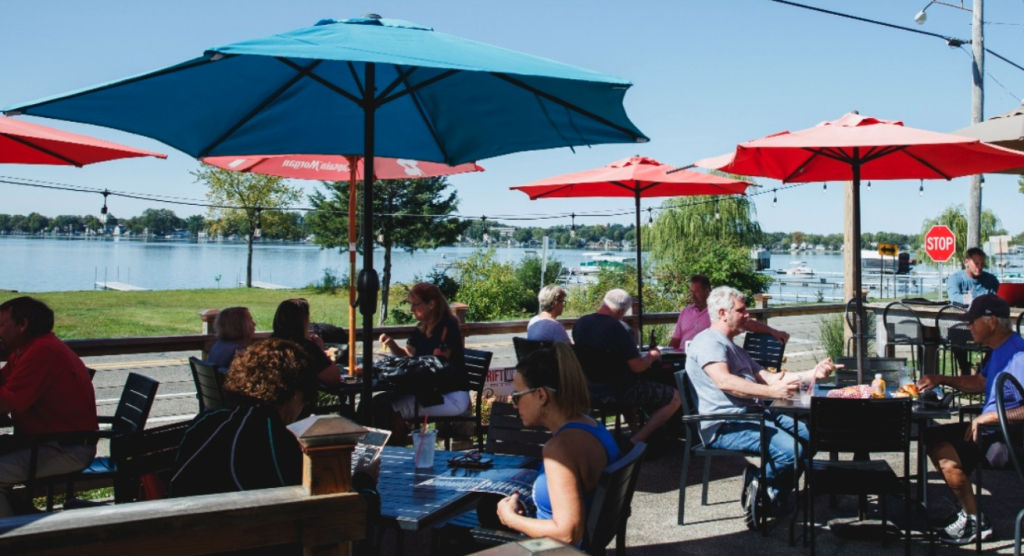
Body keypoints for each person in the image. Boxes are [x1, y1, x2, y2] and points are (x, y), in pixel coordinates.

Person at [169, 338, 380, 554]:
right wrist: (364, 482)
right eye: (305, 399)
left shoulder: (208, 422)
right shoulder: (271, 438)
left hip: (182, 540)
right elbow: (330, 520)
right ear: (295, 393)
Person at [685, 286, 839, 528]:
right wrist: (772, 393)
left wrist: (814, 373)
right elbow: (725, 382)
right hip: (726, 423)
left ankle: (765, 488)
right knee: (790, 452)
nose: (747, 315)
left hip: (754, 415)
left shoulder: (735, 348)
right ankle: (765, 489)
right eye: (741, 310)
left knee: (812, 438)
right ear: (723, 313)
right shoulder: (708, 342)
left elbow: (771, 378)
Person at [918, 294, 1024, 545]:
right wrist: (941, 379)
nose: (968, 326)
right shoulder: (997, 350)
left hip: (1011, 438)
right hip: (990, 429)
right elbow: (979, 382)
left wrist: (993, 416)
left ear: (992, 322)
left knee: (945, 453)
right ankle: (967, 512)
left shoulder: (1019, 354)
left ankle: (975, 522)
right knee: (931, 437)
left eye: (973, 321)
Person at [494, 343, 621, 546]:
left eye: (517, 396)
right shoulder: (591, 426)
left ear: (541, 395)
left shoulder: (559, 449)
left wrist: (510, 519)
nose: (514, 404)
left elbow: (567, 535)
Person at [0, 296, 98, 517]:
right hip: (46, 442)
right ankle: (24, 517)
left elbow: (5, 403)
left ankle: (18, 535)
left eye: (1, 325)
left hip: (66, 449)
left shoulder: (41, 352)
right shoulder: (27, 350)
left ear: (22, 324)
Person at [571, 288, 680, 444]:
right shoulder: (620, 328)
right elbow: (638, 367)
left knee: (629, 386)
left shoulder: (581, 323)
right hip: (618, 391)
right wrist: (652, 355)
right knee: (675, 397)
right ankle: (638, 439)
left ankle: (635, 430)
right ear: (621, 311)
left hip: (588, 390)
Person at [376, 283, 469, 438]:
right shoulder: (422, 328)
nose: (411, 309)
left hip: (451, 396)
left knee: (392, 408)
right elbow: (408, 355)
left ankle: (399, 447)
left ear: (431, 304)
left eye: (415, 304)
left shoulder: (447, 328)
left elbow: (437, 365)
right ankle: (382, 446)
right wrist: (391, 344)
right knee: (376, 402)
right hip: (430, 392)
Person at [669, 274, 789, 352]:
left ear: (707, 291)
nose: (693, 295)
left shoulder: (719, 312)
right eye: (691, 292)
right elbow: (675, 341)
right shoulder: (685, 312)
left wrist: (773, 331)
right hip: (681, 360)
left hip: (707, 358)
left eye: (696, 292)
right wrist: (667, 355)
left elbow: (749, 323)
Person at [946, 247, 1001, 375]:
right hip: (963, 328)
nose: (979, 267)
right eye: (976, 263)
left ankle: (982, 370)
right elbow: (954, 298)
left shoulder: (991, 280)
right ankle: (965, 368)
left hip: (985, 327)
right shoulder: (955, 279)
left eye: (982, 264)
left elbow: (998, 299)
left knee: (1000, 336)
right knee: (956, 334)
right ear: (967, 262)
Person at [270, 298, 342, 388]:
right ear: (302, 321)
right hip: (296, 396)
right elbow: (334, 379)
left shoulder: (266, 346)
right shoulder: (306, 348)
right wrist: (320, 350)